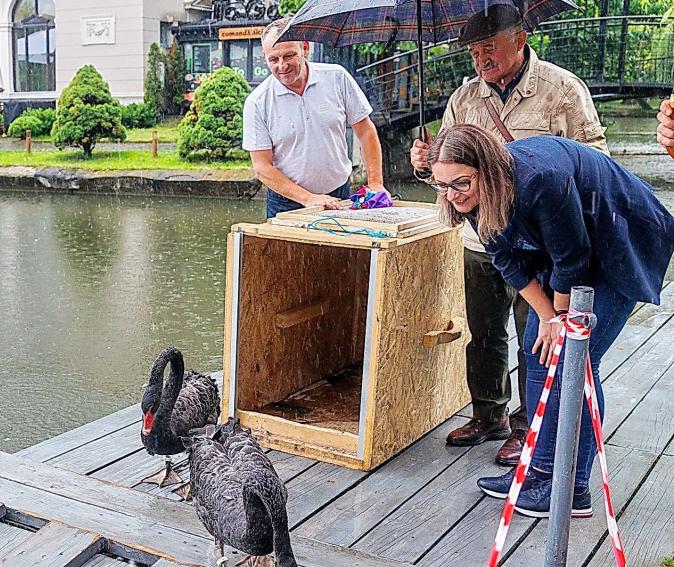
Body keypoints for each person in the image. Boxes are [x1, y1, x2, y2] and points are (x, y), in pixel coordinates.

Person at [426, 124, 674, 518]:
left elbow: (573, 259)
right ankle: (537, 471)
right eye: (441, 185)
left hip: (618, 238)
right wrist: (546, 316)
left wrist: (559, 318)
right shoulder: (466, 195)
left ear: (486, 171)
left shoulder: (540, 178)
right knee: (536, 349)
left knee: (576, 361)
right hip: (565, 249)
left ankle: (571, 488)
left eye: (460, 183)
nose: (452, 195)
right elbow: (507, 260)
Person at [410, 4, 608, 466]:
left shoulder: (562, 89)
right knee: (483, 332)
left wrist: (531, 164)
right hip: (482, 239)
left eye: (490, 48)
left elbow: (597, 159)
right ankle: (488, 415)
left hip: (540, 242)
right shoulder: (465, 98)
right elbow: (449, 170)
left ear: (519, 39)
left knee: (533, 333)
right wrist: (424, 162)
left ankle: (527, 427)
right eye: (474, 52)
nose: (481, 59)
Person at [243, 17, 385, 219]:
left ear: (305, 48)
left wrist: (376, 182)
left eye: (289, 55)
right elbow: (262, 167)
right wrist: (309, 198)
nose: (282, 66)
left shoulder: (337, 77)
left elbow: (365, 130)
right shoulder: (257, 102)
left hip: (340, 194)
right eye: (273, 59)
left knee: (341, 251)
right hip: (286, 202)